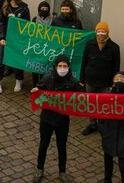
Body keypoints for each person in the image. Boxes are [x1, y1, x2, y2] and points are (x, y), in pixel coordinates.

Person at [31, 54, 83, 183]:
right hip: (47, 118)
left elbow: (81, 98)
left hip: (62, 120)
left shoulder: (73, 82)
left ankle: (62, 171)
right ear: (56, 66)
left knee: (62, 146)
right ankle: (39, 168)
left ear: (68, 67)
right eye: (60, 66)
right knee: (44, 144)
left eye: (64, 66)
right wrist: (37, 92)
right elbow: (40, 94)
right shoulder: (47, 79)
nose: (62, 68)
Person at [80, 21, 120, 136]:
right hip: (90, 81)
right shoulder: (89, 45)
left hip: (105, 83)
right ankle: (92, 124)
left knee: (104, 105)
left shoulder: (114, 48)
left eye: (103, 31)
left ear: (107, 33)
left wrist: (114, 83)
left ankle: (103, 125)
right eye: (99, 31)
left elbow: (116, 67)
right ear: (95, 32)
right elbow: (84, 62)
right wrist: (82, 80)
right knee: (91, 103)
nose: (101, 34)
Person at [98, 72, 124, 183]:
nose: (119, 81)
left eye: (122, 79)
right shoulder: (106, 96)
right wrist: (102, 128)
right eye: (117, 79)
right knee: (108, 160)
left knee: (123, 165)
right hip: (109, 133)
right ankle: (107, 180)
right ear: (113, 83)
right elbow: (98, 112)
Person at [0, 0, 30, 93]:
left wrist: (16, 19)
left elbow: (27, 25)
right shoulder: (5, 7)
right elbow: (2, 23)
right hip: (6, 39)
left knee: (17, 61)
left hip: (18, 40)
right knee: (1, 61)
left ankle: (19, 80)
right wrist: (2, 37)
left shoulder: (24, 8)